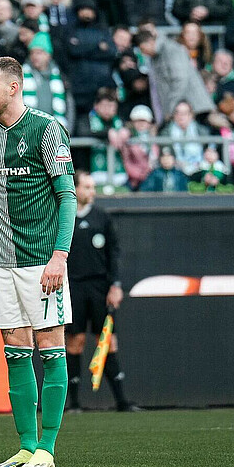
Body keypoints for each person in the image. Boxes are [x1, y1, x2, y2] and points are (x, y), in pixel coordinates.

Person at [0, 57, 76, 467]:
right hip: (1, 261)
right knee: (14, 349)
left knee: (50, 346)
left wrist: (59, 255)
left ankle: (48, 446)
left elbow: (67, 196)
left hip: (43, 260)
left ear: (13, 87)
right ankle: (27, 445)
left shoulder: (46, 129)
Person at [65, 170, 137, 412]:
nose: (92, 192)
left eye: (93, 187)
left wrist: (115, 285)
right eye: (87, 187)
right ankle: (73, 403)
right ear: (75, 189)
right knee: (75, 341)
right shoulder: (62, 217)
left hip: (99, 287)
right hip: (72, 286)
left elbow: (113, 254)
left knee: (106, 340)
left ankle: (122, 401)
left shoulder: (102, 218)